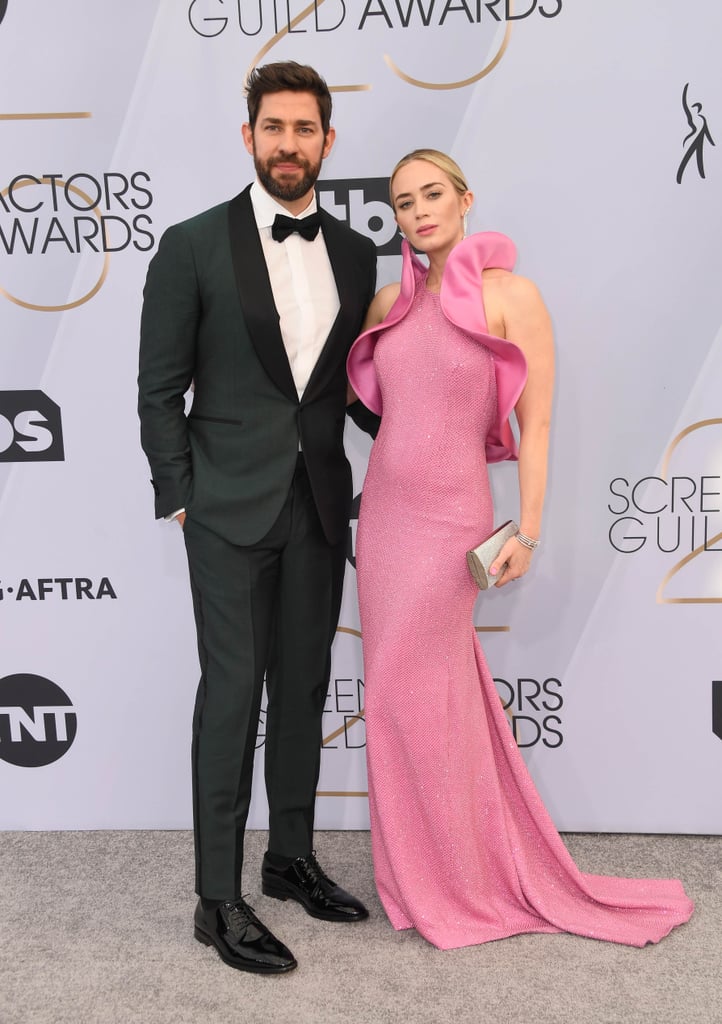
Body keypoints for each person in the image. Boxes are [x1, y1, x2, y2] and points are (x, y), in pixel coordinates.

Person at [347, 149, 694, 949]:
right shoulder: (389, 302)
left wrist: (528, 529)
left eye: (433, 193)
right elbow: (375, 413)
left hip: (451, 522)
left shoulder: (513, 296)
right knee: (411, 699)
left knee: (415, 693)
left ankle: (464, 884)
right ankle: (423, 878)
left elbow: (535, 425)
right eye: (403, 202)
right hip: (389, 517)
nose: (419, 211)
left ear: (465, 199)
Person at [138, 61, 378, 975]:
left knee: (307, 689)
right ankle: (217, 899)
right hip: (226, 510)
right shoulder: (192, 244)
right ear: (249, 138)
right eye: (273, 128)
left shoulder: (357, 255)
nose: (289, 143)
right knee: (233, 702)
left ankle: (288, 860)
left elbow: (354, 390)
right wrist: (181, 493)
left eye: (304, 129)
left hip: (319, 506)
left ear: (327, 140)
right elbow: (159, 389)